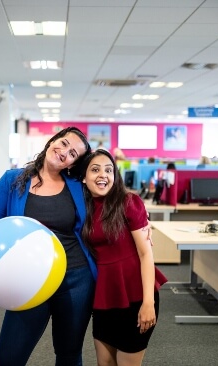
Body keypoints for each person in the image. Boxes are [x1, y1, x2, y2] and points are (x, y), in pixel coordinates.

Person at [0, 127, 97, 366]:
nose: (64, 152)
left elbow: (111, 202)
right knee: (8, 358)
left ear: (74, 163)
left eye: (73, 153)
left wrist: (139, 223)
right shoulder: (13, 180)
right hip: (27, 279)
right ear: (52, 140)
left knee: (69, 353)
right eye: (63, 143)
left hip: (75, 278)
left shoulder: (78, 186)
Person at [80, 149, 167, 366]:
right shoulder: (83, 207)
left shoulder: (128, 202)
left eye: (109, 170)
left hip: (136, 295)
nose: (103, 175)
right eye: (95, 169)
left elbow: (146, 253)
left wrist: (148, 303)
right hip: (105, 296)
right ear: (83, 176)